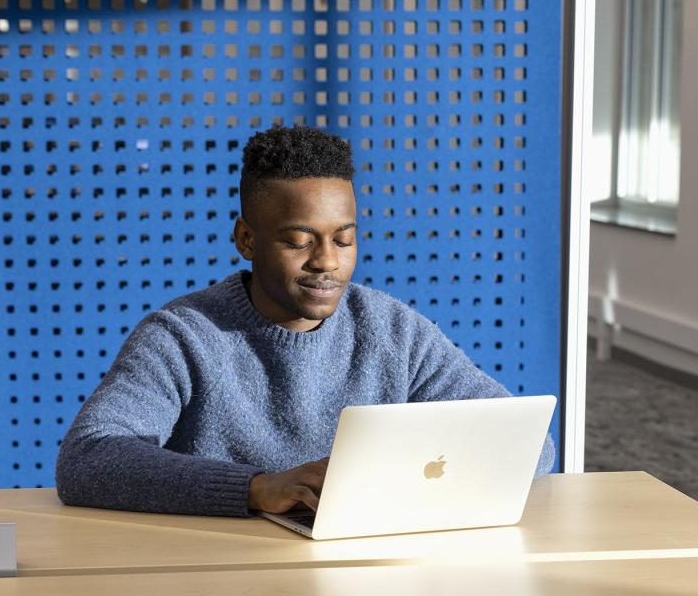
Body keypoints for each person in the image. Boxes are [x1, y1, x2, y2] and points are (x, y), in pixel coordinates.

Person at [55, 124, 555, 517]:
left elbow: (530, 446)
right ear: (247, 240)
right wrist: (255, 489)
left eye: (343, 239)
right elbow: (88, 459)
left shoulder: (393, 331)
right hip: (226, 570)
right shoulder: (183, 335)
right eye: (299, 241)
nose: (327, 262)